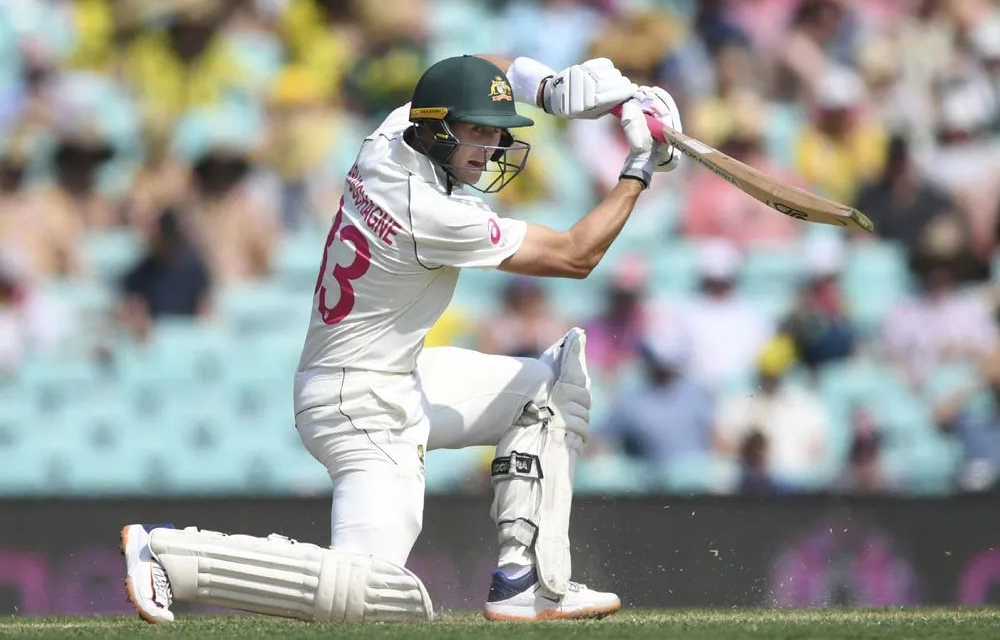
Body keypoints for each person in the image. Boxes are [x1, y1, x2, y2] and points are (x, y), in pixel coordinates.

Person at [120, 54, 682, 623]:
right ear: (437, 128)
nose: (490, 148)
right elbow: (574, 255)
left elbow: (479, 68)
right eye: (479, 132)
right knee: (378, 594)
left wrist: (553, 88)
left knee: (550, 390)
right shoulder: (427, 212)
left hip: (396, 378)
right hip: (361, 407)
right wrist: (638, 166)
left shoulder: (392, 134)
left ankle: (527, 581)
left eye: (496, 131)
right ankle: (171, 555)